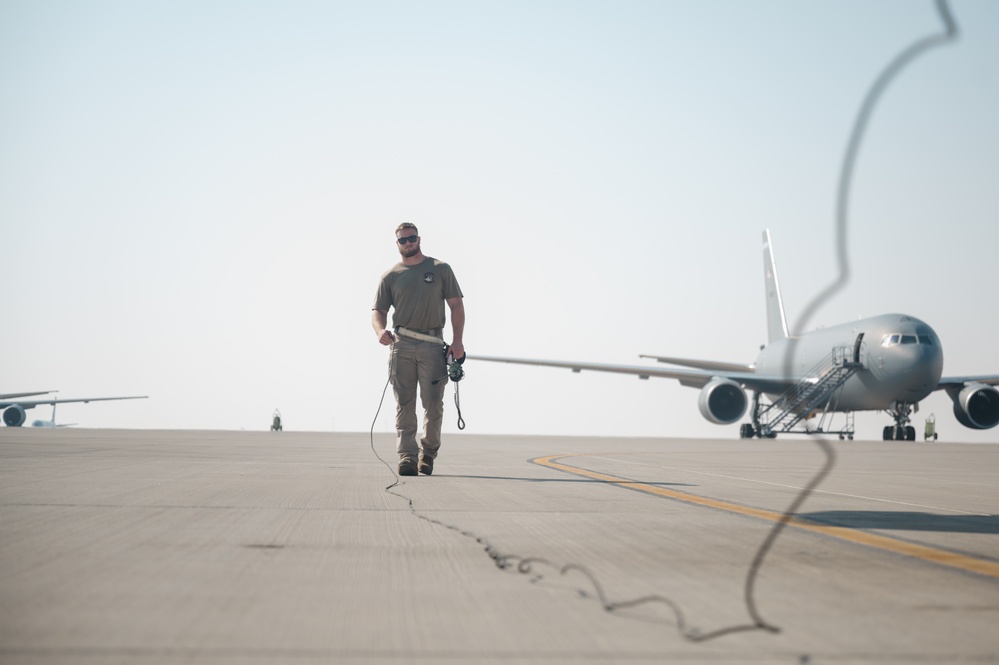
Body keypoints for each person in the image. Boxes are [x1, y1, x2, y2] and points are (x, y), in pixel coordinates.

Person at [372, 223, 465, 476]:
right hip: (401, 345)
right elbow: (378, 312)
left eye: (412, 238)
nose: (408, 243)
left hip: (433, 345)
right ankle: (407, 457)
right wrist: (380, 331)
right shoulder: (390, 276)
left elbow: (456, 305)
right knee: (404, 403)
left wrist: (457, 342)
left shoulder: (440, 269)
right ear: (398, 244)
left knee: (433, 404)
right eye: (403, 240)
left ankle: (428, 454)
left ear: (419, 239)